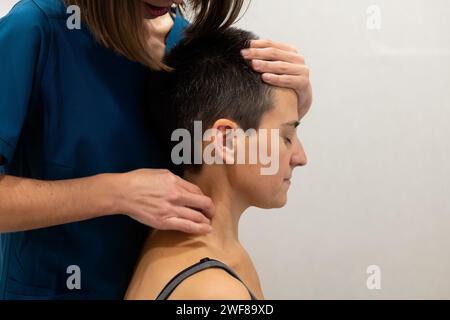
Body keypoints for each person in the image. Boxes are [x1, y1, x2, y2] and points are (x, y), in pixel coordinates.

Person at [0, 0, 312, 299]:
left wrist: (290, 101)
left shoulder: (184, 44)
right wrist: (114, 193)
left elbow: (215, 144)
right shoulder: (37, 30)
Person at [125, 27, 311, 300]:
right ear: (226, 142)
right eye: (286, 136)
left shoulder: (176, 244)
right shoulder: (215, 290)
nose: (301, 157)